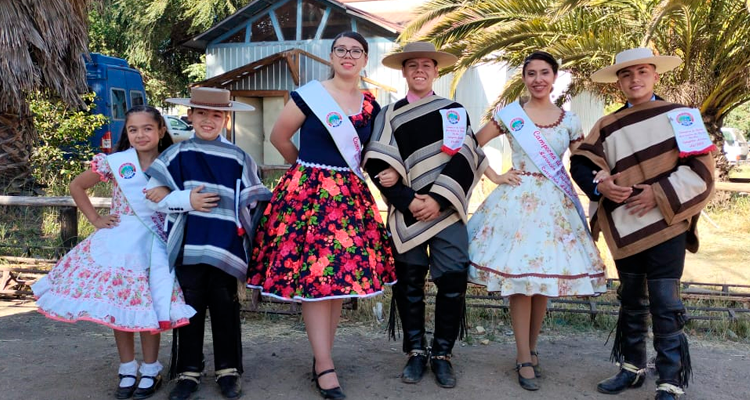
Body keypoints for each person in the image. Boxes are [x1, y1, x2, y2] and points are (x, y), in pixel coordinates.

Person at [247, 31, 396, 400]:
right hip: (308, 196)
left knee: (337, 281)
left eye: (356, 51)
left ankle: (322, 358)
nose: (348, 56)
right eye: (341, 50)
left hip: (349, 200)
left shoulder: (369, 105)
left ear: (364, 60)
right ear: (331, 56)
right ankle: (325, 364)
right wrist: (304, 169)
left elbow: (371, 154)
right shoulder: (309, 95)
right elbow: (279, 137)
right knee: (315, 279)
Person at [570, 48, 716, 400]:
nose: (634, 79)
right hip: (624, 225)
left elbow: (702, 170)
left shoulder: (682, 117)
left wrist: (659, 193)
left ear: (655, 76)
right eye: (626, 74)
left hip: (668, 223)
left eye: (642, 72)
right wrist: (599, 184)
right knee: (631, 298)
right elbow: (581, 163)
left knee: (666, 302)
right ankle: (632, 368)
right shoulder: (607, 125)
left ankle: (671, 379)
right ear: (618, 82)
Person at [465, 51, 607, 391]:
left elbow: (582, 161)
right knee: (520, 282)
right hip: (517, 203)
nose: (538, 79)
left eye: (545, 72)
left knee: (543, 281)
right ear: (524, 78)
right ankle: (522, 355)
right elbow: (470, 143)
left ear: (554, 77)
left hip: (555, 205)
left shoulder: (569, 120)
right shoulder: (510, 115)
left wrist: (601, 176)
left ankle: (531, 348)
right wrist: (496, 175)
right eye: (531, 73)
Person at [32, 105, 196, 400]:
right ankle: (127, 367)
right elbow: (77, 185)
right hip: (120, 244)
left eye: (147, 128)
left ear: (161, 131)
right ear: (127, 134)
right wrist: (95, 219)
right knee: (119, 307)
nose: (140, 134)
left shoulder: (173, 161)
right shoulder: (115, 162)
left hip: (155, 245)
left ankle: (150, 369)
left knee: (149, 306)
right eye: (133, 130)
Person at [362, 41, 488, 389]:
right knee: (409, 282)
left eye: (426, 65)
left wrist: (437, 201)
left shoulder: (454, 111)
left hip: (445, 211)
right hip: (407, 212)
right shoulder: (387, 115)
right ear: (404, 71)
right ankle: (416, 351)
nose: (419, 70)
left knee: (452, 282)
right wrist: (405, 199)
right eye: (412, 65)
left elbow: (467, 158)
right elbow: (376, 163)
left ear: (436, 71)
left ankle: (443, 354)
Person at [144, 87, 272, 400]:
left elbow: (255, 196)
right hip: (190, 244)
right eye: (201, 113)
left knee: (225, 306)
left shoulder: (238, 157)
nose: (208, 120)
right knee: (189, 308)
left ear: (226, 119)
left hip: (226, 244)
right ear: (190, 116)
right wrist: (186, 199)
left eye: (216, 115)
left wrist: (250, 218)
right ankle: (189, 371)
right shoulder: (177, 154)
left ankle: (229, 370)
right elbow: (154, 194)